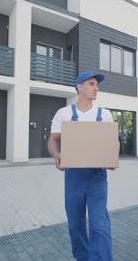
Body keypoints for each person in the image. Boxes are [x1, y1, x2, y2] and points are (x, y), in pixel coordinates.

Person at [47, 71, 114, 261]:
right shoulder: (64, 113)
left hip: (97, 178)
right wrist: (56, 155)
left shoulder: (104, 115)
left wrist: (111, 159)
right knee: (75, 225)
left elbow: (111, 145)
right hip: (73, 176)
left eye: (96, 84)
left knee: (99, 224)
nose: (96, 88)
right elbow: (52, 141)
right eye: (92, 84)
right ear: (80, 87)